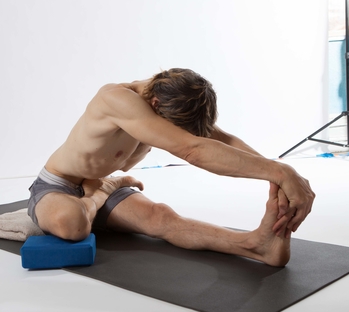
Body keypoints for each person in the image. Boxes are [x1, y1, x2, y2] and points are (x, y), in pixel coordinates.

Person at [27, 68, 315, 267]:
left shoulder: (168, 100)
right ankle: (103, 191)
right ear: (154, 104)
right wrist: (281, 173)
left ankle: (256, 245)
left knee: (161, 217)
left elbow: (221, 139)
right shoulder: (115, 100)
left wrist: (276, 175)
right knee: (72, 225)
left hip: (98, 180)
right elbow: (193, 149)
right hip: (59, 184)